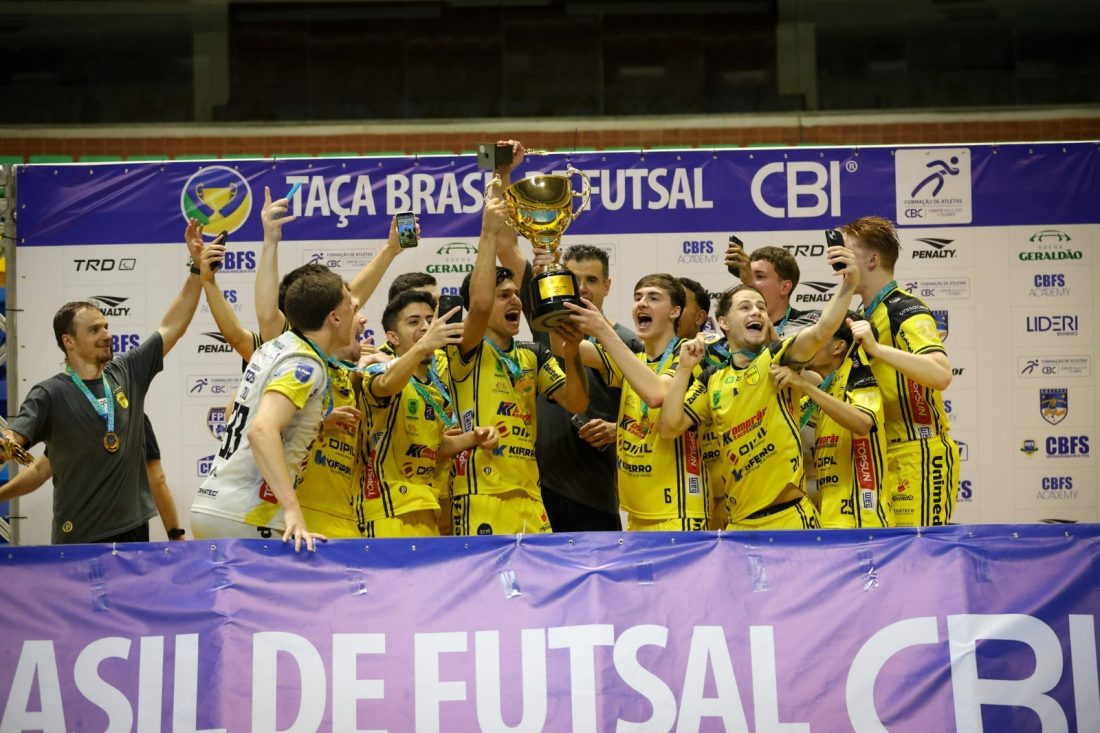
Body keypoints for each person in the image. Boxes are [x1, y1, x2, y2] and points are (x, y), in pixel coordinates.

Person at [2, 222, 204, 544]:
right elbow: (19, 442)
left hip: (134, 531)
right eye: (95, 330)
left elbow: (173, 326)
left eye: (107, 326)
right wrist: (8, 442)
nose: (107, 335)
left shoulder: (127, 371)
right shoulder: (49, 394)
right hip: (79, 537)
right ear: (69, 341)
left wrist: (197, 269)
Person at [658, 243, 859, 531]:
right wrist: (685, 369)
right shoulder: (712, 378)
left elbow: (822, 330)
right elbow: (669, 426)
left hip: (789, 520)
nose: (757, 312)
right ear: (723, 323)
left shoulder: (778, 359)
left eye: (761, 307)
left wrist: (849, 284)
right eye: (746, 307)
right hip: (738, 525)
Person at [190, 265, 362, 551]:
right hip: (247, 513)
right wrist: (293, 509)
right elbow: (261, 430)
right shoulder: (305, 363)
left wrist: (318, 423)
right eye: (351, 307)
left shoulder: (275, 347)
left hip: (215, 503)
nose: (357, 314)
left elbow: (240, 415)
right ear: (334, 318)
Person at [446, 197, 589, 535]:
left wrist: (571, 353)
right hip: (481, 497)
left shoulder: (532, 355)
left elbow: (577, 402)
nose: (514, 300)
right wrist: (488, 234)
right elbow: (479, 307)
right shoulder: (465, 348)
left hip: (530, 497)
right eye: (503, 295)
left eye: (515, 293)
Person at [565, 274, 709, 531]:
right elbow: (565, 346)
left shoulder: (690, 354)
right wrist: (557, 311)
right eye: (638, 297)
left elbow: (656, 395)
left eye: (653, 297)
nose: (642, 303)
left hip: (679, 513)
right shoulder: (636, 359)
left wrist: (601, 330)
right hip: (636, 515)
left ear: (675, 311)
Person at [841, 216, 959, 526]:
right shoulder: (864, 314)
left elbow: (941, 373)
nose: (837, 258)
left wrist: (878, 350)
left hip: (919, 452)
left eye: (846, 251)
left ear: (872, 260)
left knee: (918, 558)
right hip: (882, 453)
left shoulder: (903, 308)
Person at [357, 290, 497, 537]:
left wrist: (475, 438)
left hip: (428, 508)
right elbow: (386, 385)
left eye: (430, 320)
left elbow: (436, 446)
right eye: (414, 322)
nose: (425, 327)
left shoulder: (436, 386)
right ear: (393, 338)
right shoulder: (379, 369)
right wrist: (423, 346)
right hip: (386, 512)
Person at [769, 314, 896, 528]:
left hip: (862, 521)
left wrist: (804, 385)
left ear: (838, 347)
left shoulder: (856, 371)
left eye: (819, 339)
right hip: (831, 518)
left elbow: (863, 422)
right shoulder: (826, 387)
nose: (810, 345)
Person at [0, 415, 187, 541]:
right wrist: (175, 535)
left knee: (75, 600)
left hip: (80, 535)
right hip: (119, 540)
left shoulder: (71, 417)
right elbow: (157, 479)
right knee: (123, 599)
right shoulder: (132, 415)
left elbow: (39, 471)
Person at [725, 242, 819, 337]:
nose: (748, 283)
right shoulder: (736, 331)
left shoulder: (810, 323)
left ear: (785, 287)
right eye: (747, 277)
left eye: (760, 276)